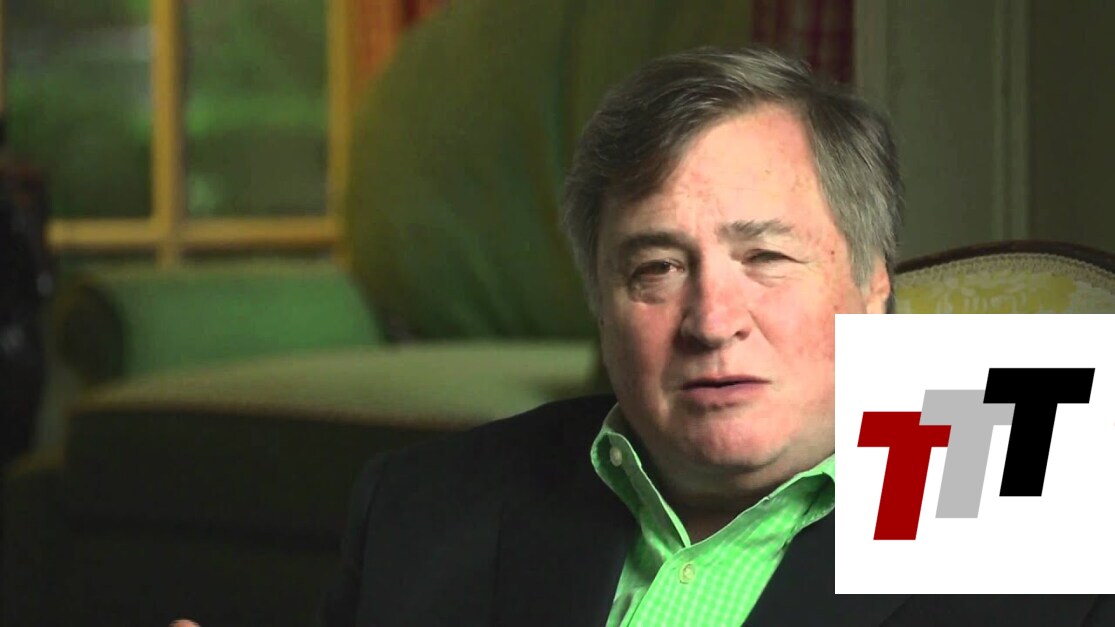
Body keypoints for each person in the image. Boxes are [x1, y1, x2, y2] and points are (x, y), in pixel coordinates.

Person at [309, 47, 1112, 626]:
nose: (711, 320)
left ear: (873, 283)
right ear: (599, 302)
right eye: (656, 268)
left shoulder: (1033, 483)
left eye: (765, 257)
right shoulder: (424, 505)